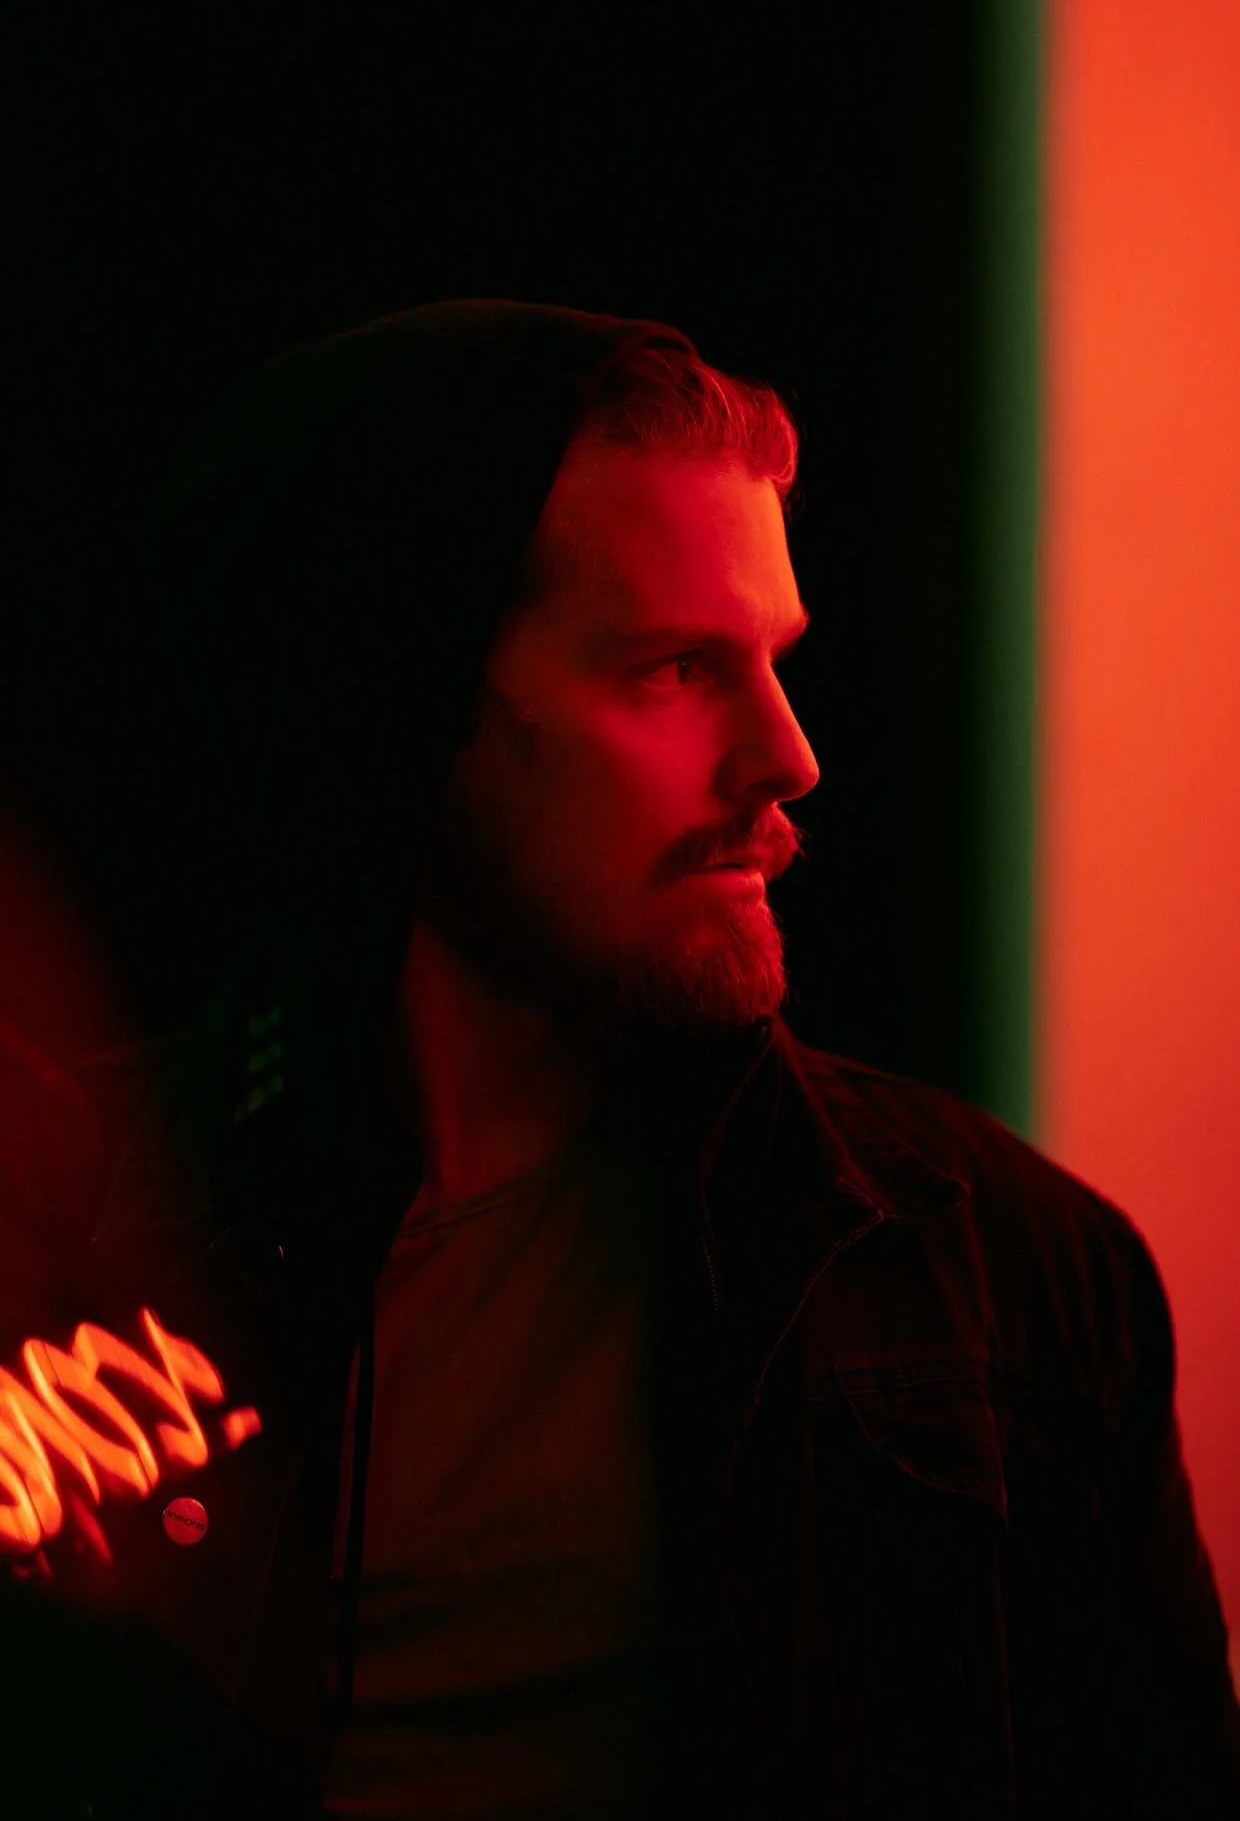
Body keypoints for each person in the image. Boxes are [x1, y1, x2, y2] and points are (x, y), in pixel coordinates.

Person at [0, 301, 1236, 1819]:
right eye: (674, 669)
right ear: (400, 710)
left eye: (775, 661)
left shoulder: (1006, 1278)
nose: (790, 759)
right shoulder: (62, 1258)